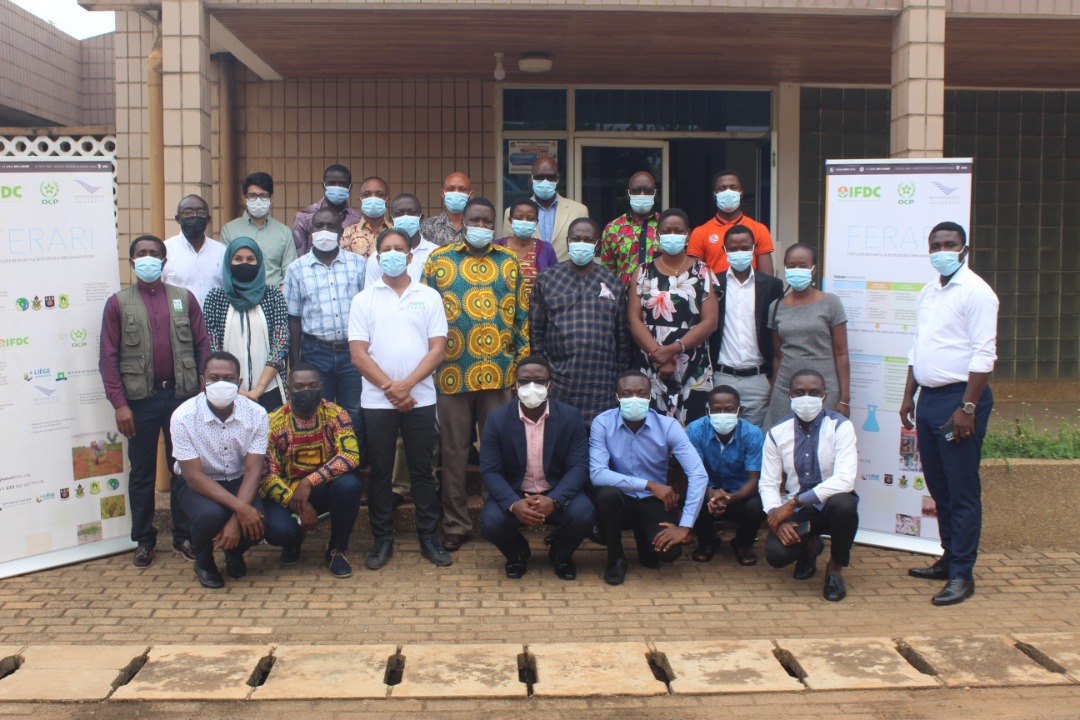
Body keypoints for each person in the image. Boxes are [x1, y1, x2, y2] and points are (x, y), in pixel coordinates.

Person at [422, 197, 529, 551]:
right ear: (463, 221)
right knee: (452, 452)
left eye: (487, 221)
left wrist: (519, 364)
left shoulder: (510, 261)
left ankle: (495, 516)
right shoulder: (438, 261)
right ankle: (455, 523)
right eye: (475, 220)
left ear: (495, 225)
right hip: (451, 371)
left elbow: (522, 319)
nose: (481, 226)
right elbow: (423, 316)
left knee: (497, 450)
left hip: (499, 373)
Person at [901, 221, 998, 606]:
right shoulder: (929, 291)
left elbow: (984, 354)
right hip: (929, 398)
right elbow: (918, 347)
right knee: (939, 488)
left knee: (961, 491)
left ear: (964, 249)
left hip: (960, 400)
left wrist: (968, 407)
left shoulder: (976, 293)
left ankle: (962, 574)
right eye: (936, 244)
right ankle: (947, 557)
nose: (942, 250)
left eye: (950, 244)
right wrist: (908, 396)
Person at [99, 234, 210, 567]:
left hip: (181, 397)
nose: (147, 259)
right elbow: (109, 357)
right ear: (132, 262)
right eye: (141, 254)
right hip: (140, 402)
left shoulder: (184, 298)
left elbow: (202, 346)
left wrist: (204, 390)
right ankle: (144, 539)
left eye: (154, 254)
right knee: (143, 472)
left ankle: (183, 535)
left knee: (183, 469)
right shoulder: (118, 303)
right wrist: (120, 404)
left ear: (164, 261)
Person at [350, 228, 453, 570]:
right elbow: (358, 354)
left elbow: (438, 349)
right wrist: (391, 389)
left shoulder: (428, 296)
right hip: (377, 402)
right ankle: (382, 540)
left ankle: (429, 537)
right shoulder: (364, 299)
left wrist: (406, 385)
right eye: (386, 250)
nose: (393, 254)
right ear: (377, 258)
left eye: (400, 249)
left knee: (423, 470)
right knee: (380, 471)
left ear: (410, 257)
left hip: (420, 399)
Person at [479, 356, 594, 580]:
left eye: (540, 381)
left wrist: (555, 499)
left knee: (584, 513)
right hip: (516, 492)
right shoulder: (497, 418)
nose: (532, 387)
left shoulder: (570, 417)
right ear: (515, 384)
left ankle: (561, 554)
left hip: (556, 492)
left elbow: (579, 466)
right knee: (491, 521)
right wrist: (513, 503)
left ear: (550, 384)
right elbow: (490, 471)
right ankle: (517, 554)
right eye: (524, 381)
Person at [590, 370, 709, 586]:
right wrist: (649, 484)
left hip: (653, 501)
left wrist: (685, 526)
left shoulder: (668, 426)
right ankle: (615, 558)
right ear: (617, 396)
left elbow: (698, 474)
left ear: (650, 396)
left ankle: (644, 542)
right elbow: (597, 473)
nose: (634, 399)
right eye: (627, 394)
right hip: (621, 499)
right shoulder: (603, 423)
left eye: (641, 393)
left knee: (670, 553)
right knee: (606, 495)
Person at [171, 352, 269, 589]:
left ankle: (233, 551)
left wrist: (237, 520)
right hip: (198, 484)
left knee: (260, 522)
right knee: (210, 516)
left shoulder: (257, 414)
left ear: (240, 383)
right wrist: (241, 509)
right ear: (203, 381)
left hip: (239, 479)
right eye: (214, 378)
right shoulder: (183, 416)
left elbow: (253, 470)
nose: (221, 384)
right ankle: (204, 562)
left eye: (228, 378)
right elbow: (193, 477)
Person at [760, 369, 858, 602]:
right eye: (800, 392)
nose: (807, 398)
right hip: (799, 512)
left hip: (829, 505)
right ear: (790, 396)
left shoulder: (840, 427)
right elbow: (768, 483)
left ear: (824, 395)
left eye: (814, 393)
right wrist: (775, 516)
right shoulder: (776, 433)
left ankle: (835, 569)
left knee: (845, 504)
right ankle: (810, 547)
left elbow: (845, 479)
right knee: (776, 555)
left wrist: (795, 502)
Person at [260, 364, 363, 578]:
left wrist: (309, 482)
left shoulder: (336, 414)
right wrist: (295, 501)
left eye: (312, 386)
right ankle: (293, 541)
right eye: (299, 386)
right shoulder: (272, 422)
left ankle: (336, 550)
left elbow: (350, 456)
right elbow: (267, 475)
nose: (306, 391)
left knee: (349, 485)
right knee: (279, 531)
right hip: (288, 491)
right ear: (288, 389)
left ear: (321, 387)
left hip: (322, 488)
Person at [530, 218, 631, 425]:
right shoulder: (547, 279)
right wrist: (545, 372)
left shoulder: (612, 281)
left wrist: (618, 377)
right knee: (561, 440)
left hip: (601, 383)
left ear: (598, 245)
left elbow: (622, 335)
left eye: (588, 239)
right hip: (560, 382)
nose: (581, 243)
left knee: (597, 443)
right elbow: (536, 332)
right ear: (568, 242)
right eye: (577, 238)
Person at [628, 208, 718, 424]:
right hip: (651, 365)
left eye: (678, 231)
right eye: (667, 231)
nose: (672, 235)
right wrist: (657, 355)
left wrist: (672, 350)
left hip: (693, 367)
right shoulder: (642, 271)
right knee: (651, 432)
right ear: (658, 235)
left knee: (693, 434)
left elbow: (710, 322)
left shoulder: (702, 271)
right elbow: (633, 319)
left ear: (688, 233)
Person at [283, 207, 366, 439]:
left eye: (330, 226)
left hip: (353, 353)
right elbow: (294, 319)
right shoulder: (296, 269)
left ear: (340, 231)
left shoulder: (359, 265)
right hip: (316, 351)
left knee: (355, 413)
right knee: (318, 413)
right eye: (319, 226)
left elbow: (368, 313)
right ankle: (325, 468)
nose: (324, 231)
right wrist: (296, 364)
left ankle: (352, 467)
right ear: (310, 230)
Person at [763, 243, 851, 429]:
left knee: (821, 446)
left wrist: (844, 398)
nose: (797, 270)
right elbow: (778, 356)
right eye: (791, 265)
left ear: (813, 269)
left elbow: (841, 352)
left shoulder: (830, 303)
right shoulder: (776, 306)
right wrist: (773, 394)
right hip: (785, 391)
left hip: (823, 391)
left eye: (802, 265)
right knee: (780, 445)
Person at [709, 224, 785, 428]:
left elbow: (777, 334)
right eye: (733, 249)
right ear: (724, 251)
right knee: (720, 438)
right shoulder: (713, 283)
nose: (739, 252)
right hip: (721, 377)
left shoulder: (772, 285)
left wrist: (772, 381)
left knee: (755, 441)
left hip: (758, 379)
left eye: (745, 247)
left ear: (753, 249)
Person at [202, 237, 289, 413]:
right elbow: (211, 343)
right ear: (229, 263)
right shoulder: (216, 298)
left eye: (250, 259)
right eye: (238, 259)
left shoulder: (272, 295)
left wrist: (258, 389)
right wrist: (237, 390)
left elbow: (281, 342)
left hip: (270, 387)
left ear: (259, 262)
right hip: (226, 389)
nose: (244, 263)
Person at [685, 385, 766, 565]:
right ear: (708, 411)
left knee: (757, 504)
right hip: (708, 492)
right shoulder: (695, 430)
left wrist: (729, 497)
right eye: (716, 410)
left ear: (739, 412)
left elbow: (754, 480)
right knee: (690, 495)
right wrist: (711, 495)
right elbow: (694, 474)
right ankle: (707, 541)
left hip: (740, 495)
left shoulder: (752, 434)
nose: (722, 414)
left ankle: (744, 544)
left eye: (729, 410)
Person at [501, 156, 588, 261]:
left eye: (550, 177)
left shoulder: (579, 211)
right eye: (539, 177)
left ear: (558, 179)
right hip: (528, 275)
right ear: (532, 178)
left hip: (565, 275)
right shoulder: (511, 213)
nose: (545, 182)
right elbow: (506, 250)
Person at [688, 171, 774, 277]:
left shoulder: (759, 229)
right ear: (714, 194)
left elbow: (767, 276)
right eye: (722, 188)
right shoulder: (700, 232)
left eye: (733, 187)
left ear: (741, 193)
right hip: (715, 292)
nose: (728, 192)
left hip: (752, 291)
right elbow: (697, 276)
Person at [220, 172, 297, 286]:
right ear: (244, 198)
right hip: (240, 298)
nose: (258, 200)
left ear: (271, 198)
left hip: (274, 298)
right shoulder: (229, 230)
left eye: (263, 196)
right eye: (252, 196)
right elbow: (225, 269)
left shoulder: (284, 233)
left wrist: (279, 297)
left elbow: (290, 272)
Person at [162, 194, 225, 307]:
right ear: (178, 219)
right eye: (188, 213)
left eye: (200, 212)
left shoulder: (221, 251)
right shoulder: (165, 250)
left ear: (208, 219)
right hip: (177, 321)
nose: (194, 216)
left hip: (214, 322)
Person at [600, 170, 661, 286]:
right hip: (624, 300)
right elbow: (607, 273)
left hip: (660, 299)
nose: (642, 194)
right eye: (636, 190)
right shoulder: (613, 228)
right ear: (628, 193)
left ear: (655, 193)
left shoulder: (666, 227)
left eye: (648, 191)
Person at [364, 193, 439, 286]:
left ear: (421, 218)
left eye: (411, 212)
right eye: (399, 213)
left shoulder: (436, 253)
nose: (405, 217)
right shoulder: (379, 258)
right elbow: (371, 295)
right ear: (391, 220)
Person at [494, 199, 558, 305]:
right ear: (510, 220)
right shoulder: (496, 247)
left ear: (536, 222)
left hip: (536, 316)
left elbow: (555, 284)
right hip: (502, 316)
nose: (524, 222)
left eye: (530, 218)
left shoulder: (546, 249)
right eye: (519, 217)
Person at [291, 164, 361, 256]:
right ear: (324, 186)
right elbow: (298, 256)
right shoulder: (304, 217)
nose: (337, 187)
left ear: (350, 188)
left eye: (342, 184)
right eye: (332, 183)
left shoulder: (357, 219)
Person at [340, 176, 391, 257]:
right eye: (367, 194)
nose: (373, 198)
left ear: (387, 200)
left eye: (379, 194)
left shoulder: (397, 233)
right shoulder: (346, 235)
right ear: (360, 200)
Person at [421, 172, 473, 247]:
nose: (456, 193)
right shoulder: (428, 226)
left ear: (471, 195)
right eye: (451, 189)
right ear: (442, 193)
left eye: (462, 189)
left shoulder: (477, 226)